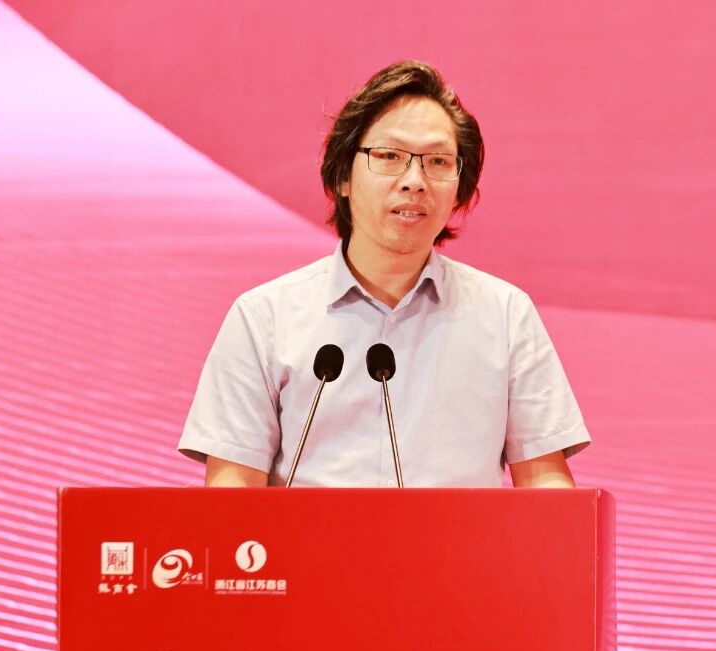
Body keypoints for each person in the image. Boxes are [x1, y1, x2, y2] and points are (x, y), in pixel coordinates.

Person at [178, 60, 589, 488]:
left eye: (438, 161)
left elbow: (547, 489)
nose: (414, 180)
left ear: (458, 189)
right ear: (343, 177)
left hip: (458, 538)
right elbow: (231, 495)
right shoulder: (263, 319)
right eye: (390, 156)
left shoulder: (505, 316)